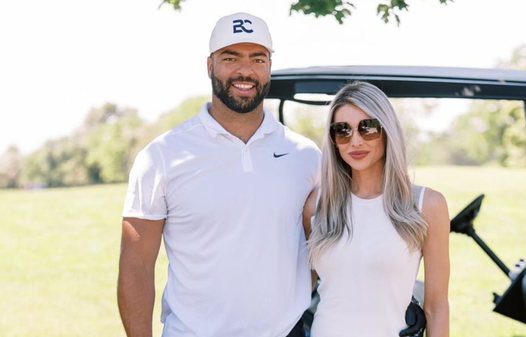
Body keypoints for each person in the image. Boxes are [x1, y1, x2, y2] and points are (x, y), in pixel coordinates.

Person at [117, 12, 424, 337]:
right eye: (231, 57)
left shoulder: (306, 157)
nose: (245, 70)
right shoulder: (162, 156)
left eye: (257, 58)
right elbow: (136, 266)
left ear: (269, 67)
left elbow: (339, 250)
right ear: (210, 65)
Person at [304, 81, 450, 337]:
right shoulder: (316, 205)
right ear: (333, 140)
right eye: (342, 131)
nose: (355, 141)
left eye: (368, 128)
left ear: (387, 130)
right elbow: (300, 291)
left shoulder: (427, 205)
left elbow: (436, 306)